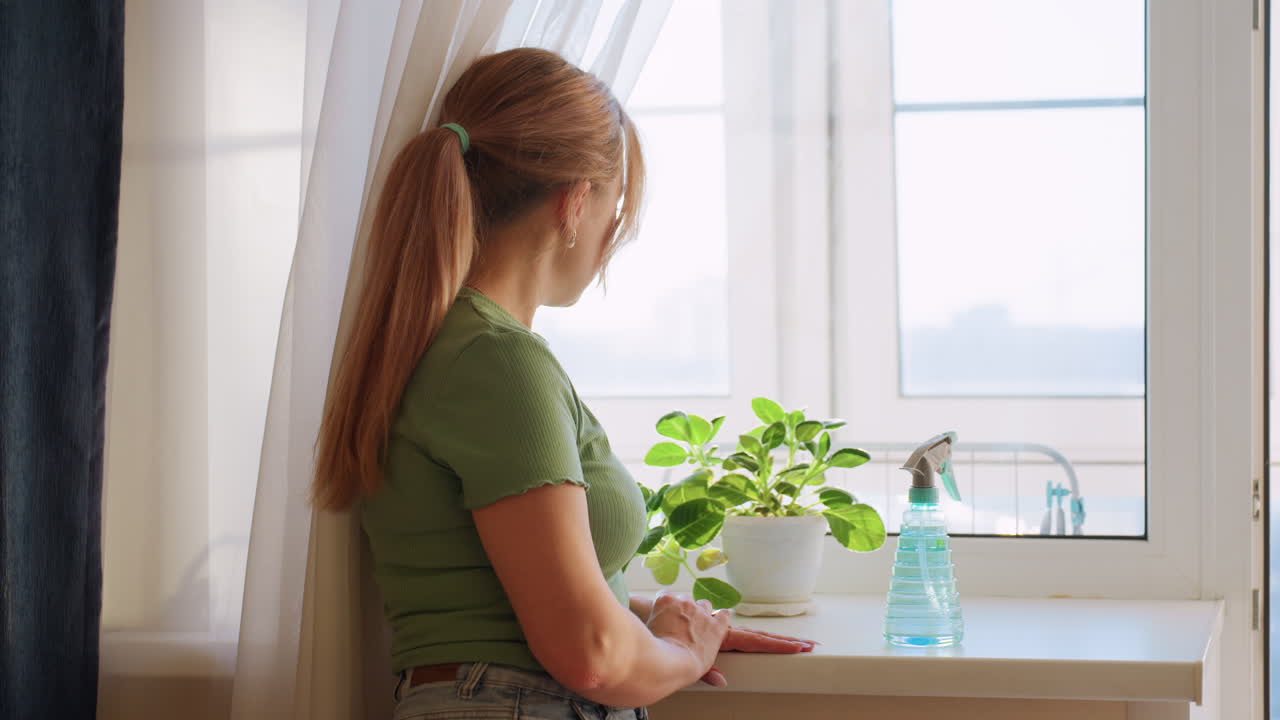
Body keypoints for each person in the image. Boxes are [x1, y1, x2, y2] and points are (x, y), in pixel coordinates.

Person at [313, 47, 814, 720]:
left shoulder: (451, 343)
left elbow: (504, 582)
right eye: (616, 208)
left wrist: (667, 622)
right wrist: (682, 657)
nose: (614, 235)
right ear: (576, 202)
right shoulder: (497, 361)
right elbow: (591, 656)